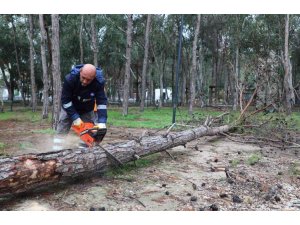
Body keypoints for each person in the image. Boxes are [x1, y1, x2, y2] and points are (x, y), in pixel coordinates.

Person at [53, 64, 107, 150]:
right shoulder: (70, 79)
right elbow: (65, 100)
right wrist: (75, 117)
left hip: (86, 109)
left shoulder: (99, 82)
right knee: (62, 128)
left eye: (89, 80)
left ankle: (83, 153)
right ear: (80, 72)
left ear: (94, 77)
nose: (85, 81)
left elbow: (101, 103)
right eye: (83, 78)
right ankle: (55, 151)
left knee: (87, 131)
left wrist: (102, 122)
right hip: (69, 106)